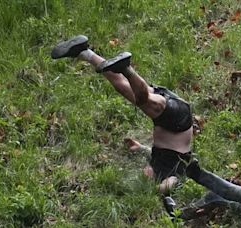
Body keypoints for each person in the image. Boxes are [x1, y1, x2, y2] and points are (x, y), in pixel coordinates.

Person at [51, 35, 193, 213]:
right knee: (142, 99)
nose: (144, 173)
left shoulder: (159, 162)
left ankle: (83, 52)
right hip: (176, 121)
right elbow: (170, 185)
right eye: (146, 175)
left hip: (172, 116)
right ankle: (126, 68)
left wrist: (141, 148)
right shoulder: (173, 174)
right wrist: (154, 191)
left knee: (122, 86)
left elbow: (164, 152)